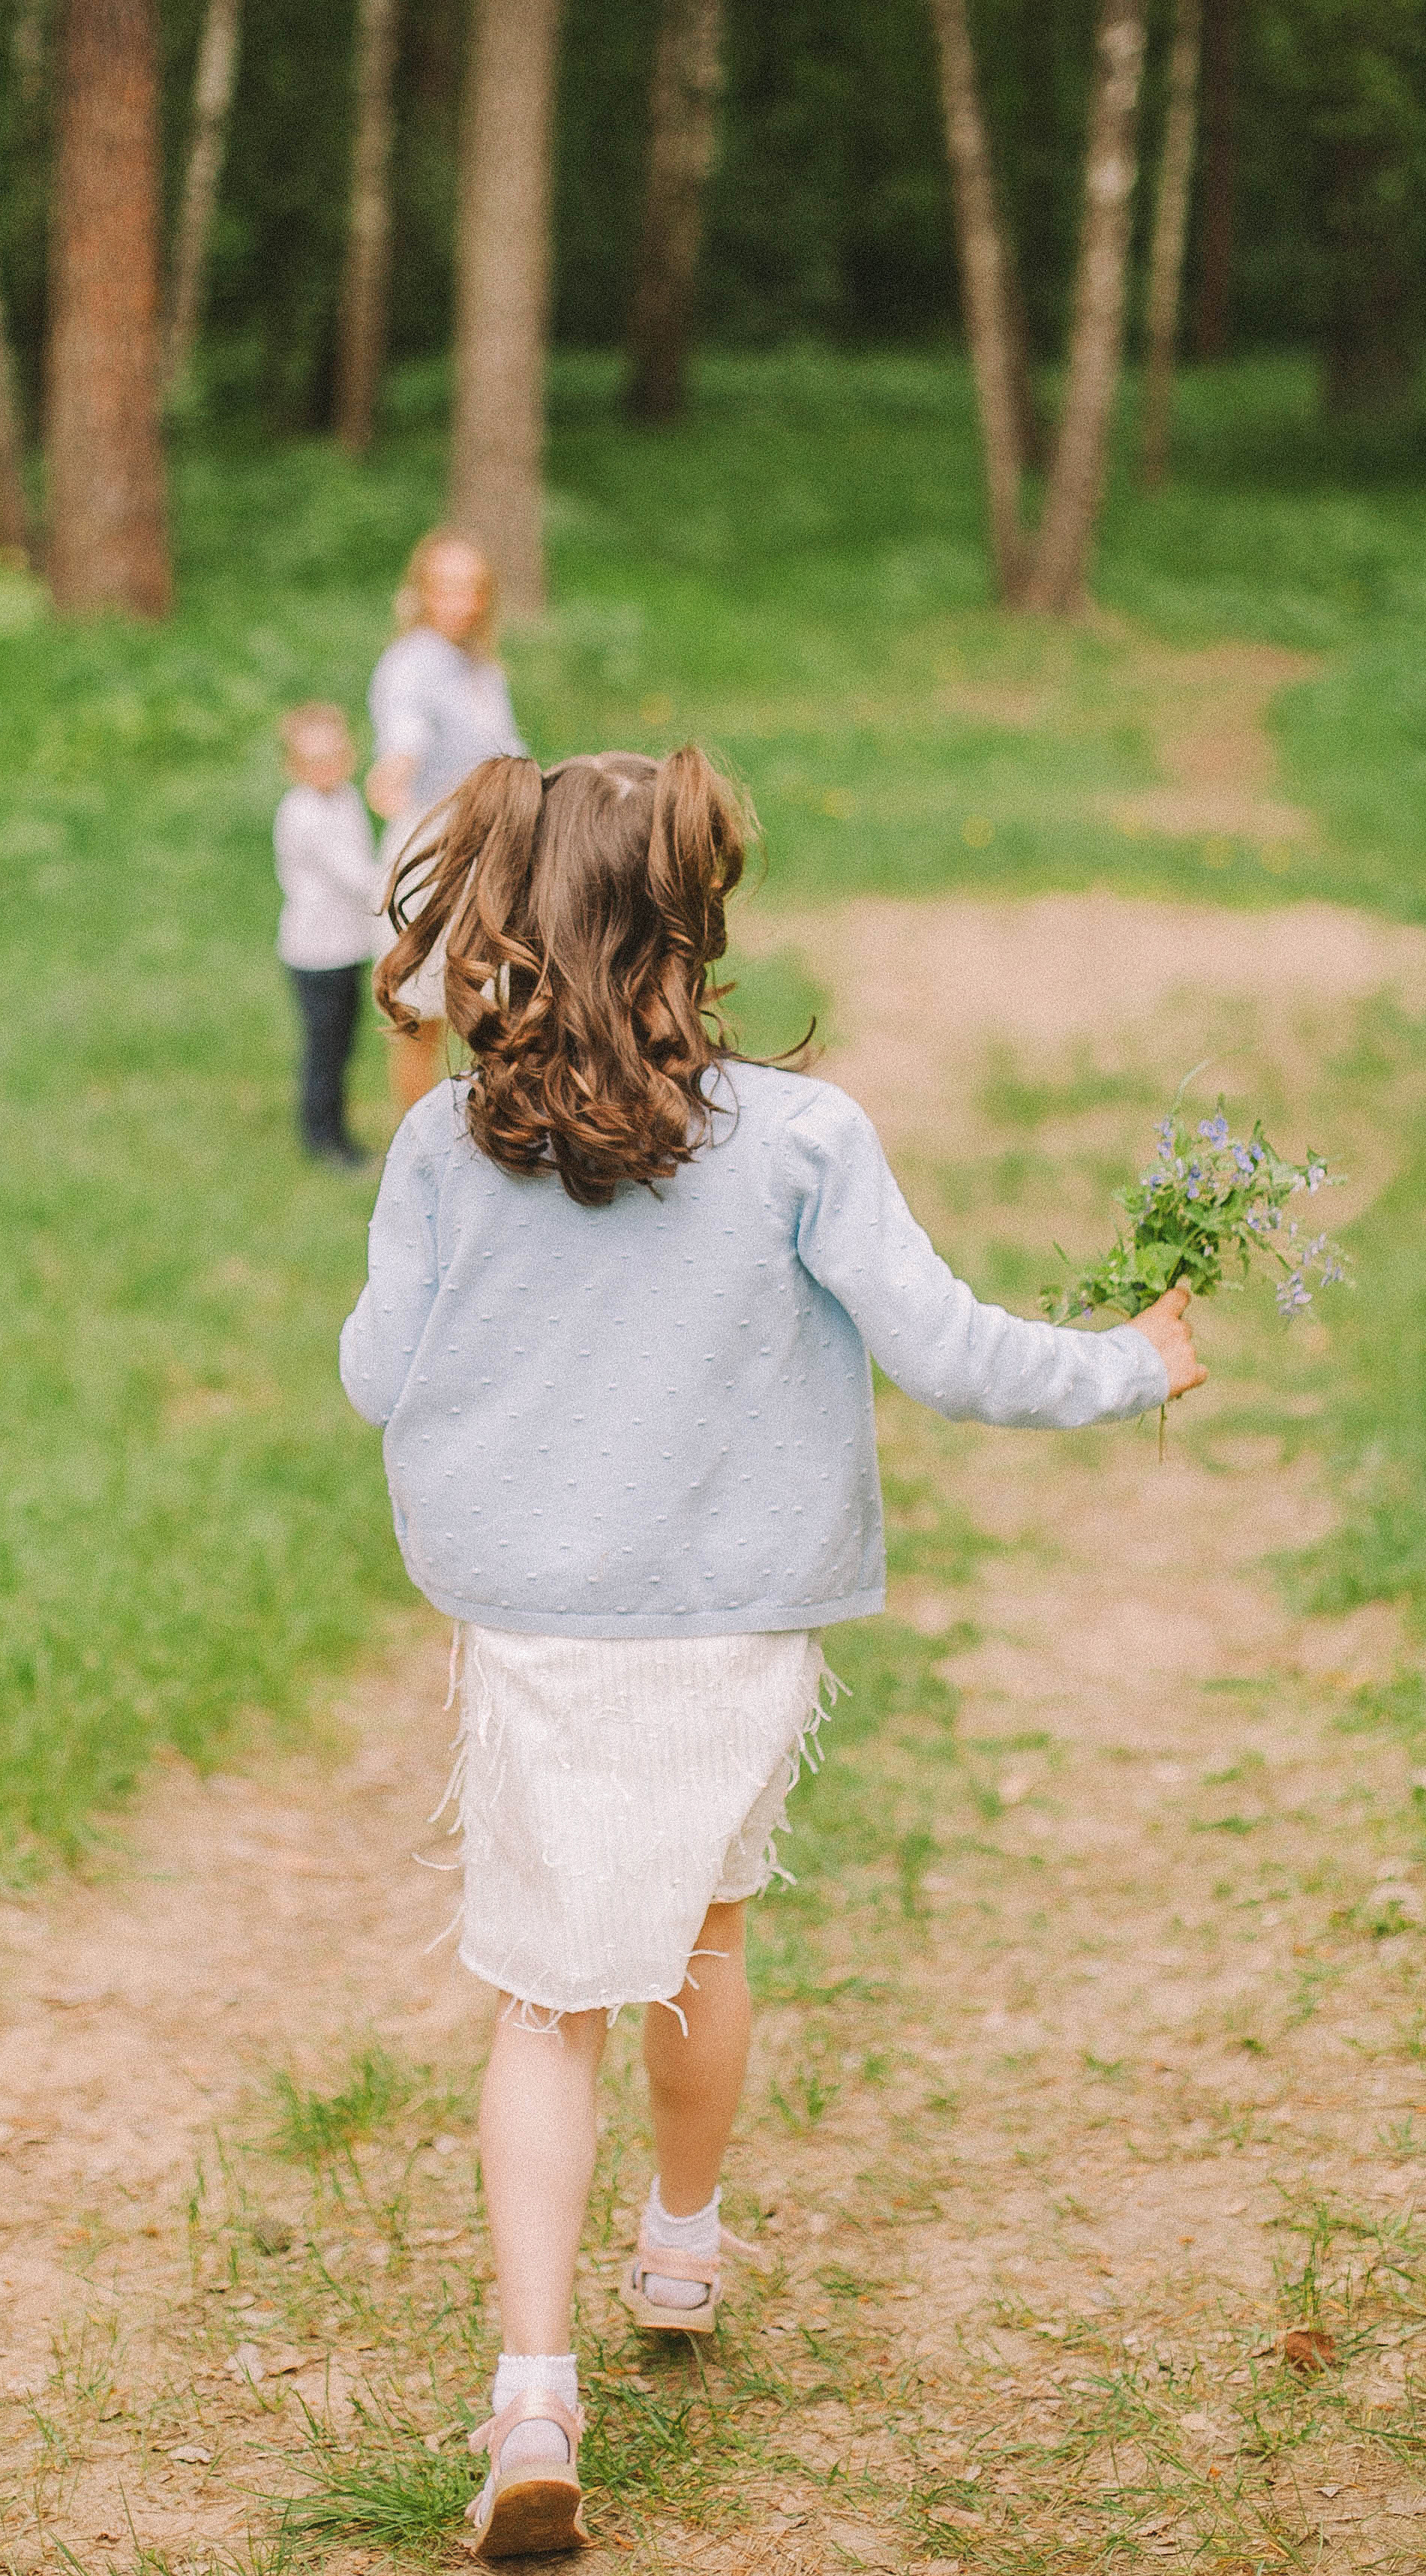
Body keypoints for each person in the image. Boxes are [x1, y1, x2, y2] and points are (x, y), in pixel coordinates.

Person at [339, 749, 1205, 2562]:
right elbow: (954, 1350)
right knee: (701, 1933)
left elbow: (373, 1378)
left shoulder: (444, 1143)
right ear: (692, 915)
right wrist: (1131, 1358)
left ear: (513, 915)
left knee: (543, 1997)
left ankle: (529, 2393)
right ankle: (681, 2237)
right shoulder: (804, 1139)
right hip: (733, 1625)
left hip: (541, 1626)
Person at [365, 530, 524, 1114]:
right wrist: (393, 771)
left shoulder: (480, 669)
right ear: (422, 592)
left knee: (495, 1009)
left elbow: (503, 753)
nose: (462, 600)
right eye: (447, 586)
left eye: (473, 588)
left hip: (488, 846)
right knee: (422, 1016)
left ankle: (493, 1135)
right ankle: (421, 1155)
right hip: (433, 852)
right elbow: (405, 732)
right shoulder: (411, 663)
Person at [273, 702, 383, 1169]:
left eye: (335, 755)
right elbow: (355, 877)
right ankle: (323, 1139)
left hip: (347, 946)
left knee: (342, 1043)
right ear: (294, 766)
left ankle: (336, 1129)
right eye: (314, 761)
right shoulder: (303, 815)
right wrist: (401, 882)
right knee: (324, 1046)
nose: (327, 768)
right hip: (316, 953)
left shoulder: (346, 799)